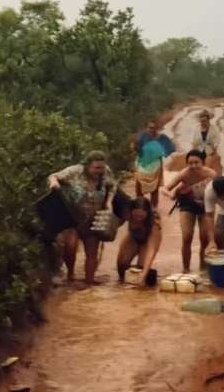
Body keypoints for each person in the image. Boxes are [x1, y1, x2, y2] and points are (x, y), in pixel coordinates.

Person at [47, 151, 122, 286]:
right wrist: (54, 183)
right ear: (87, 166)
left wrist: (109, 202)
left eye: (102, 168)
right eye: (96, 168)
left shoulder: (106, 172)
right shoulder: (74, 171)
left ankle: (88, 283)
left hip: (94, 217)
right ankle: (70, 273)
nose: (99, 171)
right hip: (72, 216)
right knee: (70, 247)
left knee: (92, 252)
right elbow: (53, 176)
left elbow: (113, 186)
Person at [163, 150, 217, 272]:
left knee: (204, 238)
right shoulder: (184, 174)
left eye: (196, 162)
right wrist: (172, 195)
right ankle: (186, 269)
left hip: (205, 206)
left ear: (203, 162)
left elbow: (217, 193)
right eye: (190, 163)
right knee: (187, 236)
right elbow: (165, 189)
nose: (193, 166)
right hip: (187, 205)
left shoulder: (211, 174)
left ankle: (203, 268)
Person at [116, 197, 161, 287]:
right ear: (131, 211)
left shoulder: (154, 223)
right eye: (136, 215)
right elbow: (114, 224)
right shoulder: (126, 213)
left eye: (141, 216)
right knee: (122, 264)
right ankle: (122, 282)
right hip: (133, 237)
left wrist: (143, 274)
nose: (138, 219)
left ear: (147, 213)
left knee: (142, 268)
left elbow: (151, 251)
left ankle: (146, 282)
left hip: (149, 240)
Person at [132, 120, 176, 207]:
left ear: (157, 128)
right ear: (147, 128)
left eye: (153, 128)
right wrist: (136, 147)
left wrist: (161, 153)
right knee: (139, 186)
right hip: (143, 165)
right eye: (149, 128)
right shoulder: (143, 136)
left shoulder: (161, 138)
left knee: (155, 189)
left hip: (156, 165)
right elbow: (138, 149)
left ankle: (153, 209)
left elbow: (171, 148)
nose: (151, 130)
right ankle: (139, 206)